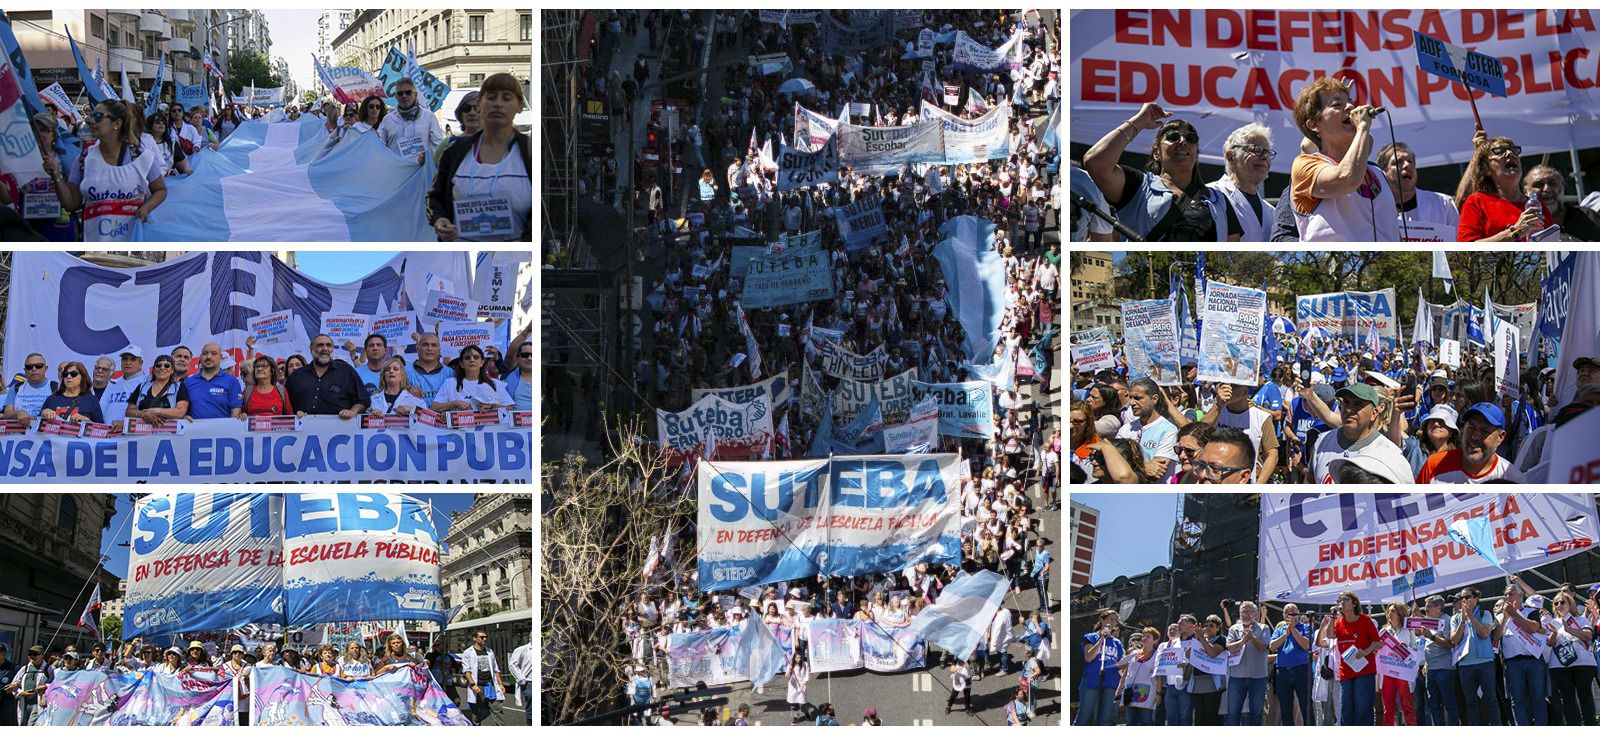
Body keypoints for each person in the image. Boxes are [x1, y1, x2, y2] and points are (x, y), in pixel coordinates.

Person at [1082, 103, 1243, 241]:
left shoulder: (1219, 200)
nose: (1183, 141)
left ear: (1196, 153)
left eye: (1191, 139)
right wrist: (1139, 121)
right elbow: (1095, 162)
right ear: (1156, 152)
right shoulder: (1137, 186)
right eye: (1173, 137)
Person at [1288, 77, 1398, 241]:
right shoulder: (1304, 166)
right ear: (1313, 124)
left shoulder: (1378, 173)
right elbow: (1347, 178)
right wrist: (1361, 127)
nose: (1351, 107)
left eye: (1350, 101)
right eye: (1336, 105)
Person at [429, 73, 531, 242]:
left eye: (506, 98)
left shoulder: (529, 153)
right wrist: (439, 220)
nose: (498, 104)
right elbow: (435, 198)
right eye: (491, 97)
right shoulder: (454, 153)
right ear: (479, 104)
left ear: (519, 106)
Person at [52, 100, 167, 242]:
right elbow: (71, 204)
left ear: (117, 124)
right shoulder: (84, 159)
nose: (91, 121)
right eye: (91, 116)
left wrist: (146, 208)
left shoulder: (142, 157)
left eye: (98, 117)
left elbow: (161, 190)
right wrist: (56, 174)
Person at [1308, 381, 1411, 483]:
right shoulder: (1322, 441)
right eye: (1346, 402)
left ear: (1374, 413)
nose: (1349, 410)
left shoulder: (1390, 451)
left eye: (1358, 404)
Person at [1456, 132, 1550, 241]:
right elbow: (1466, 251)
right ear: (1486, 169)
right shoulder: (1476, 203)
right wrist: (1515, 233)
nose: (1510, 153)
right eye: (1499, 151)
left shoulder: (1538, 207)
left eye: (1514, 150)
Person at [1414, 402, 1524, 482]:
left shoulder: (1512, 479)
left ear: (1500, 437)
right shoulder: (1434, 465)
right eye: (1471, 428)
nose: (1475, 436)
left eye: (1484, 431)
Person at [1317, 590, 1380, 726]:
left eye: (1345, 599)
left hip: (1364, 670)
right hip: (1346, 672)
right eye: (1339, 600)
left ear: (1354, 603)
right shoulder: (1338, 622)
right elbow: (1330, 635)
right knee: (1346, 708)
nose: (1341, 602)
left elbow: (1377, 642)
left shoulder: (1365, 620)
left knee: (1362, 707)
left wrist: (1366, 651)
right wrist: (1332, 618)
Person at [1377, 141, 1459, 241]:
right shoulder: (1373, 210)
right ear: (1383, 173)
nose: (1407, 165)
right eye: (1398, 162)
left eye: (1410, 161)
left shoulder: (1443, 204)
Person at [1200, 382, 1279, 483]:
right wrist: (1218, 405)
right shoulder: (1218, 412)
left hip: (1248, 481)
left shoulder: (1261, 417)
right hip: (1217, 479)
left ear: (1244, 392)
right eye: (1224, 385)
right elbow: (1201, 432)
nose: (1227, 389)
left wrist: (1258, 485)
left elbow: (1272, 455)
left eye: (1233, 386)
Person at [1210, 123, 1275, 241]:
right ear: (1231, 156)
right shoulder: (1210, 196)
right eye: (1256, 150)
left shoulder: (1272, 212)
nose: (1264, 157)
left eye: (1268, 153)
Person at [1496, 584, 1548, 724]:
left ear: (1521, 596)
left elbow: (1533, 628)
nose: (1508, 597)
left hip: (1533, 661)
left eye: (1511, 594)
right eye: (1506, 594)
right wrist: (1504, 620)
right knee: (1517, 699)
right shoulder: (1501, 616)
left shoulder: (1531, 611)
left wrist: (1513, 614)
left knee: (1538, 697)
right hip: (1512, 663)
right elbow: (1495, 639)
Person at [1447, 587, 1498, 725]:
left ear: (1476, 598)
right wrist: (1463, 620)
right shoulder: (1455, 618)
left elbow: (1484, 633)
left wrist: (1471, 617)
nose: (1464, 600)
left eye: (1468, 597)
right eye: (1462, 599)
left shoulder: (1484, 613)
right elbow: (1454, 640)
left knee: (1491, 698)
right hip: (1465, 665)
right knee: (1470, 701)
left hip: (1485, 662)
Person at [285, 334, 368, 418]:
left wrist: (352, 411)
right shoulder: (296, 376)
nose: (325, 348)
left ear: (332, 349)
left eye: (328, 345)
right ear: (311, 349)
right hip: (303, 429)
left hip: (340, 428)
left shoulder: (346, 371)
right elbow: (285, 404)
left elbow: (363, 399)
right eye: (320, 345)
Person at [1114, 379, 1179, 482]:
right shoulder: (1125, 429)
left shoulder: (1169, 430)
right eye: (1130, 398)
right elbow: (1114, 462)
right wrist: (1144, 467)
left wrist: (1126, 467)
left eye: (1137, 398)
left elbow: (1157, 470)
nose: (1131, 403)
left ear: (1154, 399)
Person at [1524, 164, 1600, 241]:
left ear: (1563, 187)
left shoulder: (1587, 216)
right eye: (1538, 184)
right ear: (1526, 191)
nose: (1547, 189)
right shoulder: (1520, 224)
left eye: (1552, 183)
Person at [1224, 600, 1271, 725]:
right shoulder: (1234, 629)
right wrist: (1244, 640)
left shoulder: (1263, 628)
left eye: (1248, 611)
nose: (1245, 614)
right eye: (1242, 611)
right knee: (1233, 712)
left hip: (1258, 677)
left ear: (1256, 614)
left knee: (1256, 713)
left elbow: (1264, 647)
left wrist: (1252, 638)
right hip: (1237, 677)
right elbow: (1230, 647)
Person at [377, 78, 444, 165]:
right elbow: (379, 146)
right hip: (397, 173)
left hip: (422, 172)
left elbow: (438, 145)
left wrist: (427, 157)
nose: (404, 96)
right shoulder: (388, 120)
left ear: (415, 94)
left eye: (408, 92)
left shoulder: (429, 117)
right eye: (400, 93)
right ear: (396, 96)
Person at [1269, 603, 1314, 726]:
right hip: (1282, 671)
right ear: (1283, 615)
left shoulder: (1305, 627)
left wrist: (1293, 629)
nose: (1290, 614)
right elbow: (1272, 647)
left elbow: (1306, 645)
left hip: (1301, 670)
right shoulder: (1279, 630)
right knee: (1285, 707)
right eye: (1287, 613)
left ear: (1298, 613)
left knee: (1306, 706)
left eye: (1293, 612)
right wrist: (1286, 633)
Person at [431, 345, 512, 412]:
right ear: (461, 364)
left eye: (476, 357)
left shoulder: (495, 383)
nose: (472, 360)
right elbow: (434, 408)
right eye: (467, 358)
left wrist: (492, 407)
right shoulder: (450, 383)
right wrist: (454, 404)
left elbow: (510, 408)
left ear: (482, 362)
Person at [1077, 608, 1122, 725]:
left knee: (1104, 719)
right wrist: (1102, 639)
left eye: (1115, 620)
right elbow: (1088, 657)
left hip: (1110, 682)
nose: (1112, 622)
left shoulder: (1117, 643)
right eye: (1109, 619)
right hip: (1092, 680)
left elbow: (1120, 663)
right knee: (1084, 716)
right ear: (1102, 620)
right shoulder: (1091, 637)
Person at [1377, 602, 1418, 725]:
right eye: (1388, 611)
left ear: (1400, 614)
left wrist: (1407, 648)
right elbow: (1378, 652)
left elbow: (1415, 650)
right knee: (1388, 707)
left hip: (1404, 674)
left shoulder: (1408, 630)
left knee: (1407, 705)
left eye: (1393, 611)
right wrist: (1379, 646)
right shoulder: (1384, 631)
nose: (1390, 614)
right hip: (1388, 672)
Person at [125, 353, 190, 428]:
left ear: (172, 371)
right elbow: (129, 411)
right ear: (154, 370)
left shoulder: (179, 387)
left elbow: (180, 412)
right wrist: (144, 414)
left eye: (167, 365)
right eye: (158, 365)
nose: (162, 368)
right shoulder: (142, 386)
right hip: (140, 434)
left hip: (167, 434)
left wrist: (156, 411)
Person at [184, 343, 244, 419]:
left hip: (222, 430)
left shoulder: (232, 381)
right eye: (205, 353)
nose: (208, 357)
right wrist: (184, 417)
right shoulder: (188, 382)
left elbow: (235, 414)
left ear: (221, 357)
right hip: (194, 430)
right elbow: (182, 410)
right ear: (201, 357)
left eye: (214, 354)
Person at [40, 361, 104, 425]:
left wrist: (88, 422)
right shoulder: (52, 399)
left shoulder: (92, 401)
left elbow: (101, 429)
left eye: (74, 374)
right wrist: (43, 413)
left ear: (83, 377)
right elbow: (35, 425)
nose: (69, 376)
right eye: (65, 374)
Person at [460, 630, 503, 726]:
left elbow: (496, 669)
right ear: (475, 638)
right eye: (482, 637)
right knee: (476, 712)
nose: (485, 639)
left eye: (486, 637)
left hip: (491, 685)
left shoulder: (489, 651)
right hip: (478, 686)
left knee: (497, 709)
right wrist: (473, 685)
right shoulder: (468, 652)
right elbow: (466, 671)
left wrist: (500, 684)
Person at [2, 353, 54, 428]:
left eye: (38, 366)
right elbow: (7, 413)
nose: (34, 369)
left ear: (46, 368)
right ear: (25, 370)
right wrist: (18, 413)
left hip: (47, 435)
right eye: (29, 367)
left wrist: (31, 418)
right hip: (19, 435)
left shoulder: (55, 387)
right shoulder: (16, 387)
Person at [4, 645, 48, 726]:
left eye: (35, 654)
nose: (32, 656)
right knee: (22, 723)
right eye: (30, 654)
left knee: (31, 724)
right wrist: (21, 693)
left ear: (42, 655)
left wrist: (45, 689)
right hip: (24, 703)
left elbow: (54, 684)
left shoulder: (48, 669)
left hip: (37, 703)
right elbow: (14, 683)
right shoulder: (25, 668)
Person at [406, 333, 449, 405]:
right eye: (425, 345)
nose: (429, 348)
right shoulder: (404, 371)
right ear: (417, 348)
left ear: (439, 350)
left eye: (434, 345)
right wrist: (407, 388)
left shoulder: (450, 373)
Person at [146, 112, 191, 177]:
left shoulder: (172, 143)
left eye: (163, 123)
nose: (161, 124)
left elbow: (181, 162)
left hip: (169, 180)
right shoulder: (143, 143)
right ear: (150, 125)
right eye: (158, 122)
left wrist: (188, 171)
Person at [509, 635, 533, 726]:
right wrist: (521, 679)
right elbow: (512, 665)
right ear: (530, 638)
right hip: (529, 683)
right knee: (532, 710)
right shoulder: (522, 650)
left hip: (543, 683)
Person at [786, 649, 810, 722]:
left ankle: (806, 712)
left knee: (803, 703)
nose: (798, 660)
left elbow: (807, 676)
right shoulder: (790, 665)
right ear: (794, 658)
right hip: (793, 687)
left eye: (800, 658)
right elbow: (786, 676)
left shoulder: (805, 664)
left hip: (802, 686)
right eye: (797, 658)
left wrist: (803, 684)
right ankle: (795, 717)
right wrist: (790, 670)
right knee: (794, 703)